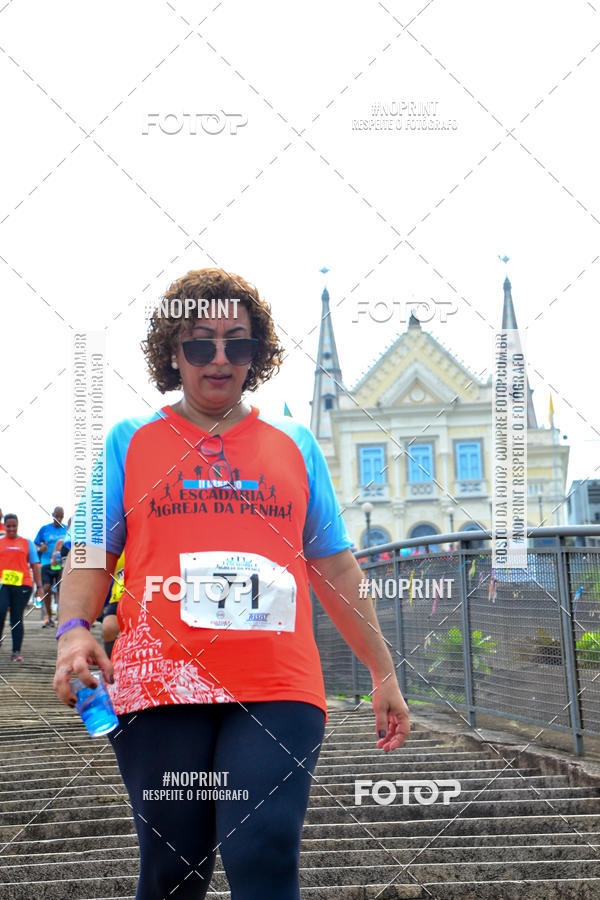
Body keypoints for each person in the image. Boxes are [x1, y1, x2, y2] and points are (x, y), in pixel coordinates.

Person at [53, 267, 410, 900]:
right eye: (199, 343)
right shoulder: (128, 443)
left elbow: (334, 567)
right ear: (173, 353)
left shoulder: (296, 446)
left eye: (236, 343)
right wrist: (74, 633)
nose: (219, 360)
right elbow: (90, 554)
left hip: (278, 684)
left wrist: (383, 671)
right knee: (173, 870)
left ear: (257, 353)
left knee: (264, 850)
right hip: (161, 683)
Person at [0, 514, 44, 660]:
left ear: (18, 526)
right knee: (1, 611)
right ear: (4, 526)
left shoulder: (27, 543)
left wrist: (40, 587)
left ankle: (16, 651)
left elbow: (35, 565)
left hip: (23, 584)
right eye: (8, 526)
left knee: (16, 617)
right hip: (3, 584)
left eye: (14, 526)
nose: (11, 529)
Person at [35, 507, 67, 627]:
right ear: (52, 515)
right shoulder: (45, 529)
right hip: (47, 563)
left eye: (61, 516)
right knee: (47, 588)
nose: (58, 519)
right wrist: (40, 549)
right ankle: (49, 617)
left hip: (61, 564)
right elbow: (35, 545)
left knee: (61, 590)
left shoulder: (66, 530)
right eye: (57, 516)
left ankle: (61, 617)